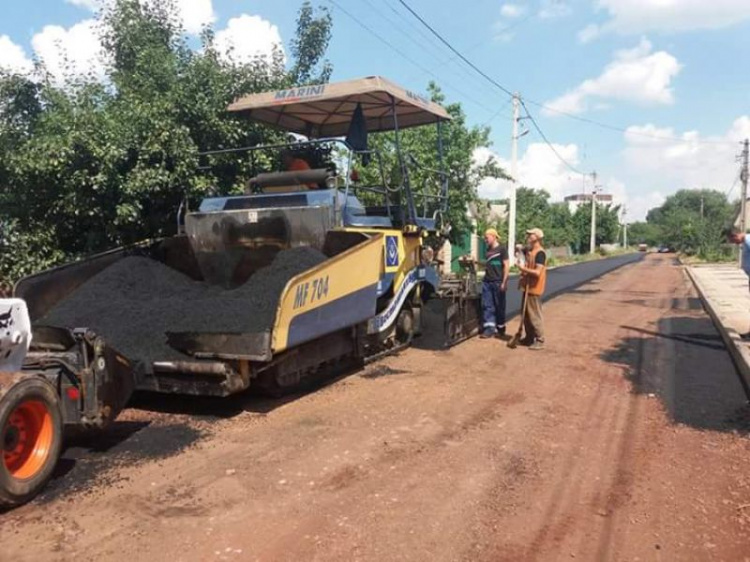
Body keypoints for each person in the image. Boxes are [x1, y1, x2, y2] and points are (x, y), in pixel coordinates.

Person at [518, 228, 547, 350]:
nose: (528, 235)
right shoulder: (531, 251)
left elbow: (537, 272)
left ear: (538, 237)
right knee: (525, 314)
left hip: (534, 288)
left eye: (531, 234)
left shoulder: (540, 253)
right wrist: (519, 249)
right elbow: (523, 250)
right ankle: (529, 337)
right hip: (527, 286)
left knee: (534, 315)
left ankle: (540, 339)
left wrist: (522, 269)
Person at [480, 228, 510, 339]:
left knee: (499, 306)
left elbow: (506, 265)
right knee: (488, 305)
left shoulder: (502, 249)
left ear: (493, 236)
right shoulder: (488, 250)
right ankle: (489, 329)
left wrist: (504, 282)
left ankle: (501, 327)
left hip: (498, 282)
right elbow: (488, 264)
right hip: (487, 282)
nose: (485, 239)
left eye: (487, 237)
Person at [724, 227, 750, 339]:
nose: (734, 243)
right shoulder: (745, 242)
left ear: (736, 235)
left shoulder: (749, 241)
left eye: (732, 240)